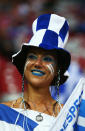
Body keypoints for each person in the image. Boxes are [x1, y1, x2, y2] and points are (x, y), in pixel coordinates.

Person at [0, 14, 85, 131]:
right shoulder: (2, 114)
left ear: (57, 71)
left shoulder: (73, 117)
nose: (38, 63)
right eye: (32, 57)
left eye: (47, 59)